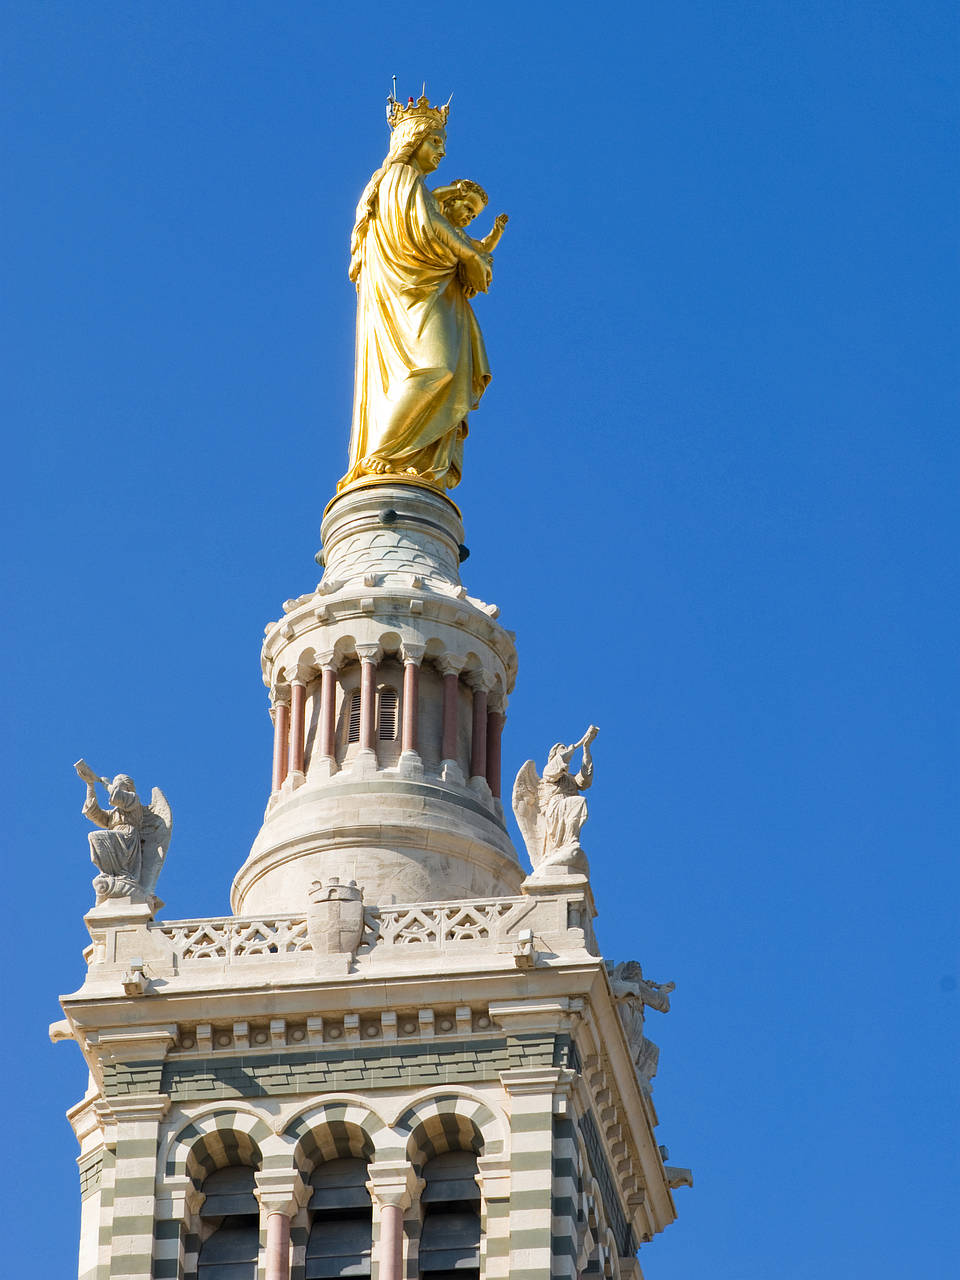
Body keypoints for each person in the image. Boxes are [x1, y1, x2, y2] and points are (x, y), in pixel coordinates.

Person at [340, 96, 496, 493]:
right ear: (412, 139)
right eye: (435, 141)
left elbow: (434, 225)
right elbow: (424, 230)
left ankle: (412, 457)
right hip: (410, 297)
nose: (441, 151)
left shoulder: (414, 185)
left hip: (432, 294)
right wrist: (469, 255)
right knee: (435, 368)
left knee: (439, 371)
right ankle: (383, 453)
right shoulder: (399, 176)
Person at [432, 178, 509, 256]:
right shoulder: (438, 210)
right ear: (453, 200)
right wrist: (456, 190)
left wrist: (497, 232)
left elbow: (483, 248)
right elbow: (433, 197)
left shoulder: (459, 235)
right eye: (469, 209)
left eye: (473, 216)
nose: (470, 217)